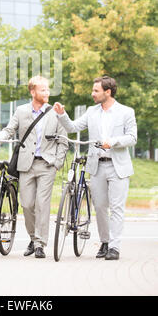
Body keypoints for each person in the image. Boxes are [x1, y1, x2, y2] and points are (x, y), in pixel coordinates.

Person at [54, 75, 137, 260]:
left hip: (118, 168)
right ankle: (105, 242)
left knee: (116, 208)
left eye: (96, 91)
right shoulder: (92, 112)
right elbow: (73, 127)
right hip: (97, 166)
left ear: (107, 92)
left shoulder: (126, 112)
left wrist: (113, 142)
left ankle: (114, 247)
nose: (92, 94)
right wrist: (61, 115)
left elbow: (132, 137)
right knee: (99, 206)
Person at [0, 75, 68, 258]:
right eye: (43, 90)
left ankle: (40, 244)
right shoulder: (21, 111)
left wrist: (57, 163)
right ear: (33, 92)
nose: (47, 93)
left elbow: (63, 142)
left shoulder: (56, 112)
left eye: (48, 89)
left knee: (42, 204)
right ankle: (33, 238)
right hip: (26, 165)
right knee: (27, 204)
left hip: (47, 164)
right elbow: (9, 130)